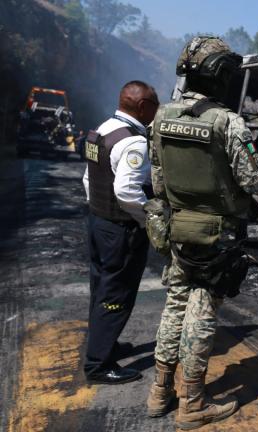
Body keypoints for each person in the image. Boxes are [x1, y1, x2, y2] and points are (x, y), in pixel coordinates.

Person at [145, 36, 258, 430]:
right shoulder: (227, 121)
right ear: (220, 75)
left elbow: (157, 182)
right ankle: (193, 403)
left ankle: (160, 391)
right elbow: (256, 180)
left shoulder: (161, 116)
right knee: (200, 313)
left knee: (174, 306)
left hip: (177, 229)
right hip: (216, 236)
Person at [82, 80, 159, 384]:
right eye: (154, 105)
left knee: (101, 288)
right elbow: (127, 191)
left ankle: (103, 344)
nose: (156, 111)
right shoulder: (134, 141)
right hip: (120, 229)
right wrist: (147, 218)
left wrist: (99, 211)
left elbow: (89, 179)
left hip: (98, 222)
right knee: (116, 294)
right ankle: (98, 365)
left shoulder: (100, 130)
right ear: (142, 107)